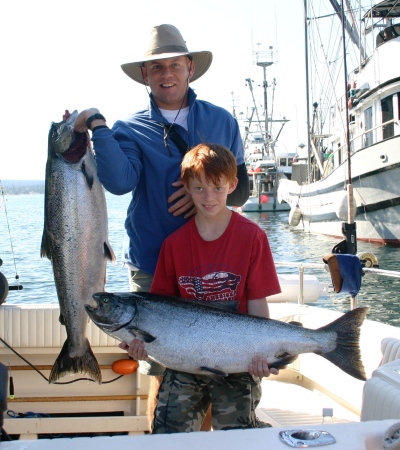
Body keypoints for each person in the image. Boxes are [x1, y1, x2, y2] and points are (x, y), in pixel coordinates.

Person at [73, 24, 250, 430]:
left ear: (190, 67)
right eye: (156, 68)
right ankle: (167, 439)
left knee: (213, 359)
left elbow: (241, 191)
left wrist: (201, 191)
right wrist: (99, 126)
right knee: (166, 367)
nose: (166, 73)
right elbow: (119, 183)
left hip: (215, 265)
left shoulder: (222, 120)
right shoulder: (128, 128)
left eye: (174, 64)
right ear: (144, 76)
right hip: (155, 262)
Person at [130, 143, 282, 433]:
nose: (208, 197)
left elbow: (257, 302)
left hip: (239, 361)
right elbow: (159, 313)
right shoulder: (174, 245)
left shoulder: (253, 237)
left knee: (236, 435)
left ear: (232, 185)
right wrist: (142, 346)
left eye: (217, 188)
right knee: (168, 432)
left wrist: (263, 355)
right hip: (185, 361)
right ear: (186, 187)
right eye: (199, 189)